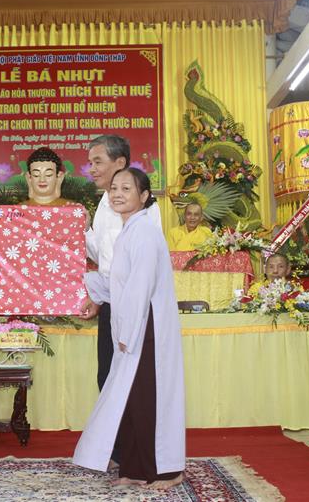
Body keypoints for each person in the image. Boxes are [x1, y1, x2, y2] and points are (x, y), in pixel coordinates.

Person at [74, 167, 185, 490]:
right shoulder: (128, 231)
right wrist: (83, 287)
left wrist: (127, 333)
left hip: (146, 328)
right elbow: (115, 283)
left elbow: (139, 288)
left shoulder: (145, 232)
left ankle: (167, 470)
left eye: (126, 188)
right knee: (131, 399)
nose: (117, 194)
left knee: (148, 398)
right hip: (133, 327)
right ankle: (136, 468)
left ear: (144, 196)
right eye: (114, 189)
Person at [81, 135, 162, 392]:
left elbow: (142, 271)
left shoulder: (144, 207)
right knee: (107, 378)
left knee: (134, 382)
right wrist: (86, 230)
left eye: (97, 162)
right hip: (110, 302)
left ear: (120, 163)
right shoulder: (104, 202)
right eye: (90, 163)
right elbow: (102, 258)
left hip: (136, 307)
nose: (91, 169)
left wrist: (129, 326)